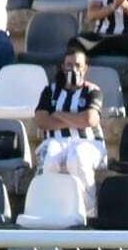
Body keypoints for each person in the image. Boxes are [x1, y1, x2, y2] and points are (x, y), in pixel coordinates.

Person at [33, 48, 106, 217]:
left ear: (85, 68)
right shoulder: (50, 91)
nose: (73, 69)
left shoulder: (92, 90)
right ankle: (51, 211)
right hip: (55, 142)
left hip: (88, 143)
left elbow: (90, 120)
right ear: (62, 67)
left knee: (78, 159)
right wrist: (75, 118)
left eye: (78, 65)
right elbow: (42, 121)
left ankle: (88, 211)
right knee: (50, 158)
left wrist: (58, 114)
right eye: (69, 65)